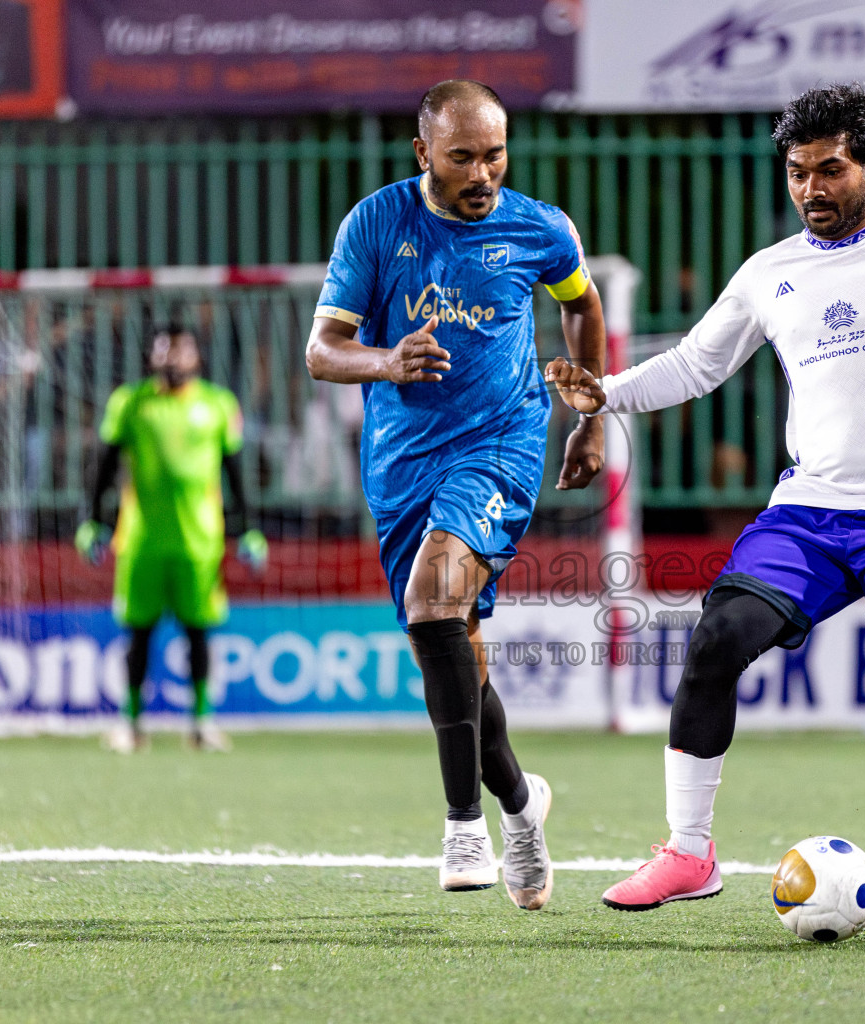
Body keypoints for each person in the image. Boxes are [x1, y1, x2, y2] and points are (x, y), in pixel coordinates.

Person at [546, 83, 865, 943]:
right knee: (713, 641)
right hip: (813, 512)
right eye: (798, 174)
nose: (813, 189)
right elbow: (694, 366)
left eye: (830, 170)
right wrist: (604, 395)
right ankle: (688, 854)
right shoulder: (769, 274)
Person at [304, 80, 607, 909]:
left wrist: (590, 415)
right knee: (454, 644)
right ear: (423, 154)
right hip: (402, 465)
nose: (484, 172)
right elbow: (323, 351)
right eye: (464, 156)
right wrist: (386, 361)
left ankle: (462, 824)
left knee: (433, 602)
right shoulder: (376, 224)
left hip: (502, 443)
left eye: (496, 153)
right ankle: (522, 804)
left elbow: (583, 307)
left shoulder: (540, 227)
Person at [76, 325, 269, 753]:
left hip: (200, 541)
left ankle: (201, 724)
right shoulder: (130, 403)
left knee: (198, 633)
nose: (173, 359)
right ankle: (130, 724)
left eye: (181, 350)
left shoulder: (218, 405)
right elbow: (104, 467)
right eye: (165, 350)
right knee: (138, 634)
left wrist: (249, 527)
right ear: (152, 356)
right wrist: (91, 520)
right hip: (141, 539)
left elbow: (236, 472)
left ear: (196, 357)